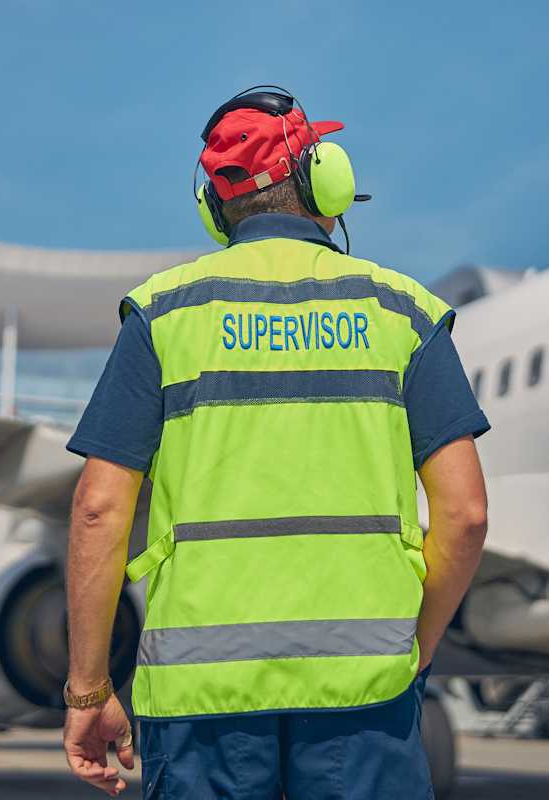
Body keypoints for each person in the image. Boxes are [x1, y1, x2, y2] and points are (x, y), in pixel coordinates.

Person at [62, 86, 490, 798]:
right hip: (365, 693)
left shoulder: (163, 315)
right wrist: (418, 645)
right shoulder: (404, 312)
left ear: (214, 208)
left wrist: (87, 690)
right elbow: (466, 514)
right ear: (329, 181)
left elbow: (99, 511)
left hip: (200, 703)